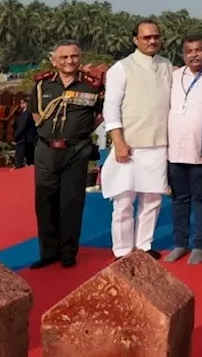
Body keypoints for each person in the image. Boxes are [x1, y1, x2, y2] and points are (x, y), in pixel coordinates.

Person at [101, 20, 173, 259]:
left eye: (156, 36)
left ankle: (144, 245)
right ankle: (121, 250)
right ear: (136, 40)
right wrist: (118, 141)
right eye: (146, 37)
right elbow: (110, 108)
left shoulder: (167, 66)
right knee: (123, 203)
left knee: (152, 200)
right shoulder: (121, 68)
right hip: (129, 145)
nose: (152, 41)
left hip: (158, 144)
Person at [27, 40, 103, 268]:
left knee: (71, 202)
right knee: (45, 200)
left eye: (74, 56)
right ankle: (48, 251)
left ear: (80, 57)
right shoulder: (42, 86)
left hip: (76, 150)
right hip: (46, 150)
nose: (69, 61)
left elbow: (99, 115)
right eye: (64, 57)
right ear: (54, 60)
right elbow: (35, 115)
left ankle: (69, 252)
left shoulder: (92, 86)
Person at [164, 35, 202, 265]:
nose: (194, 55)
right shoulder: (175, 76)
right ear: (183, 54)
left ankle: (199, 244)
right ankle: (180, 243)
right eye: (189, 51)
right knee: (179, 199)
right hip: (175, 150)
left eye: (199, 50)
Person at [13, 97, 39, 168]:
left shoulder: (25, 114)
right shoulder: (33, 113)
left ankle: (18, 168)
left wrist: (15, 137)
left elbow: (22, 127)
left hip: (23, 138)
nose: (20, 105)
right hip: (30, 138)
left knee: (19, 156)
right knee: (30, 157)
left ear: (26, 104)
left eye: (22, 103)